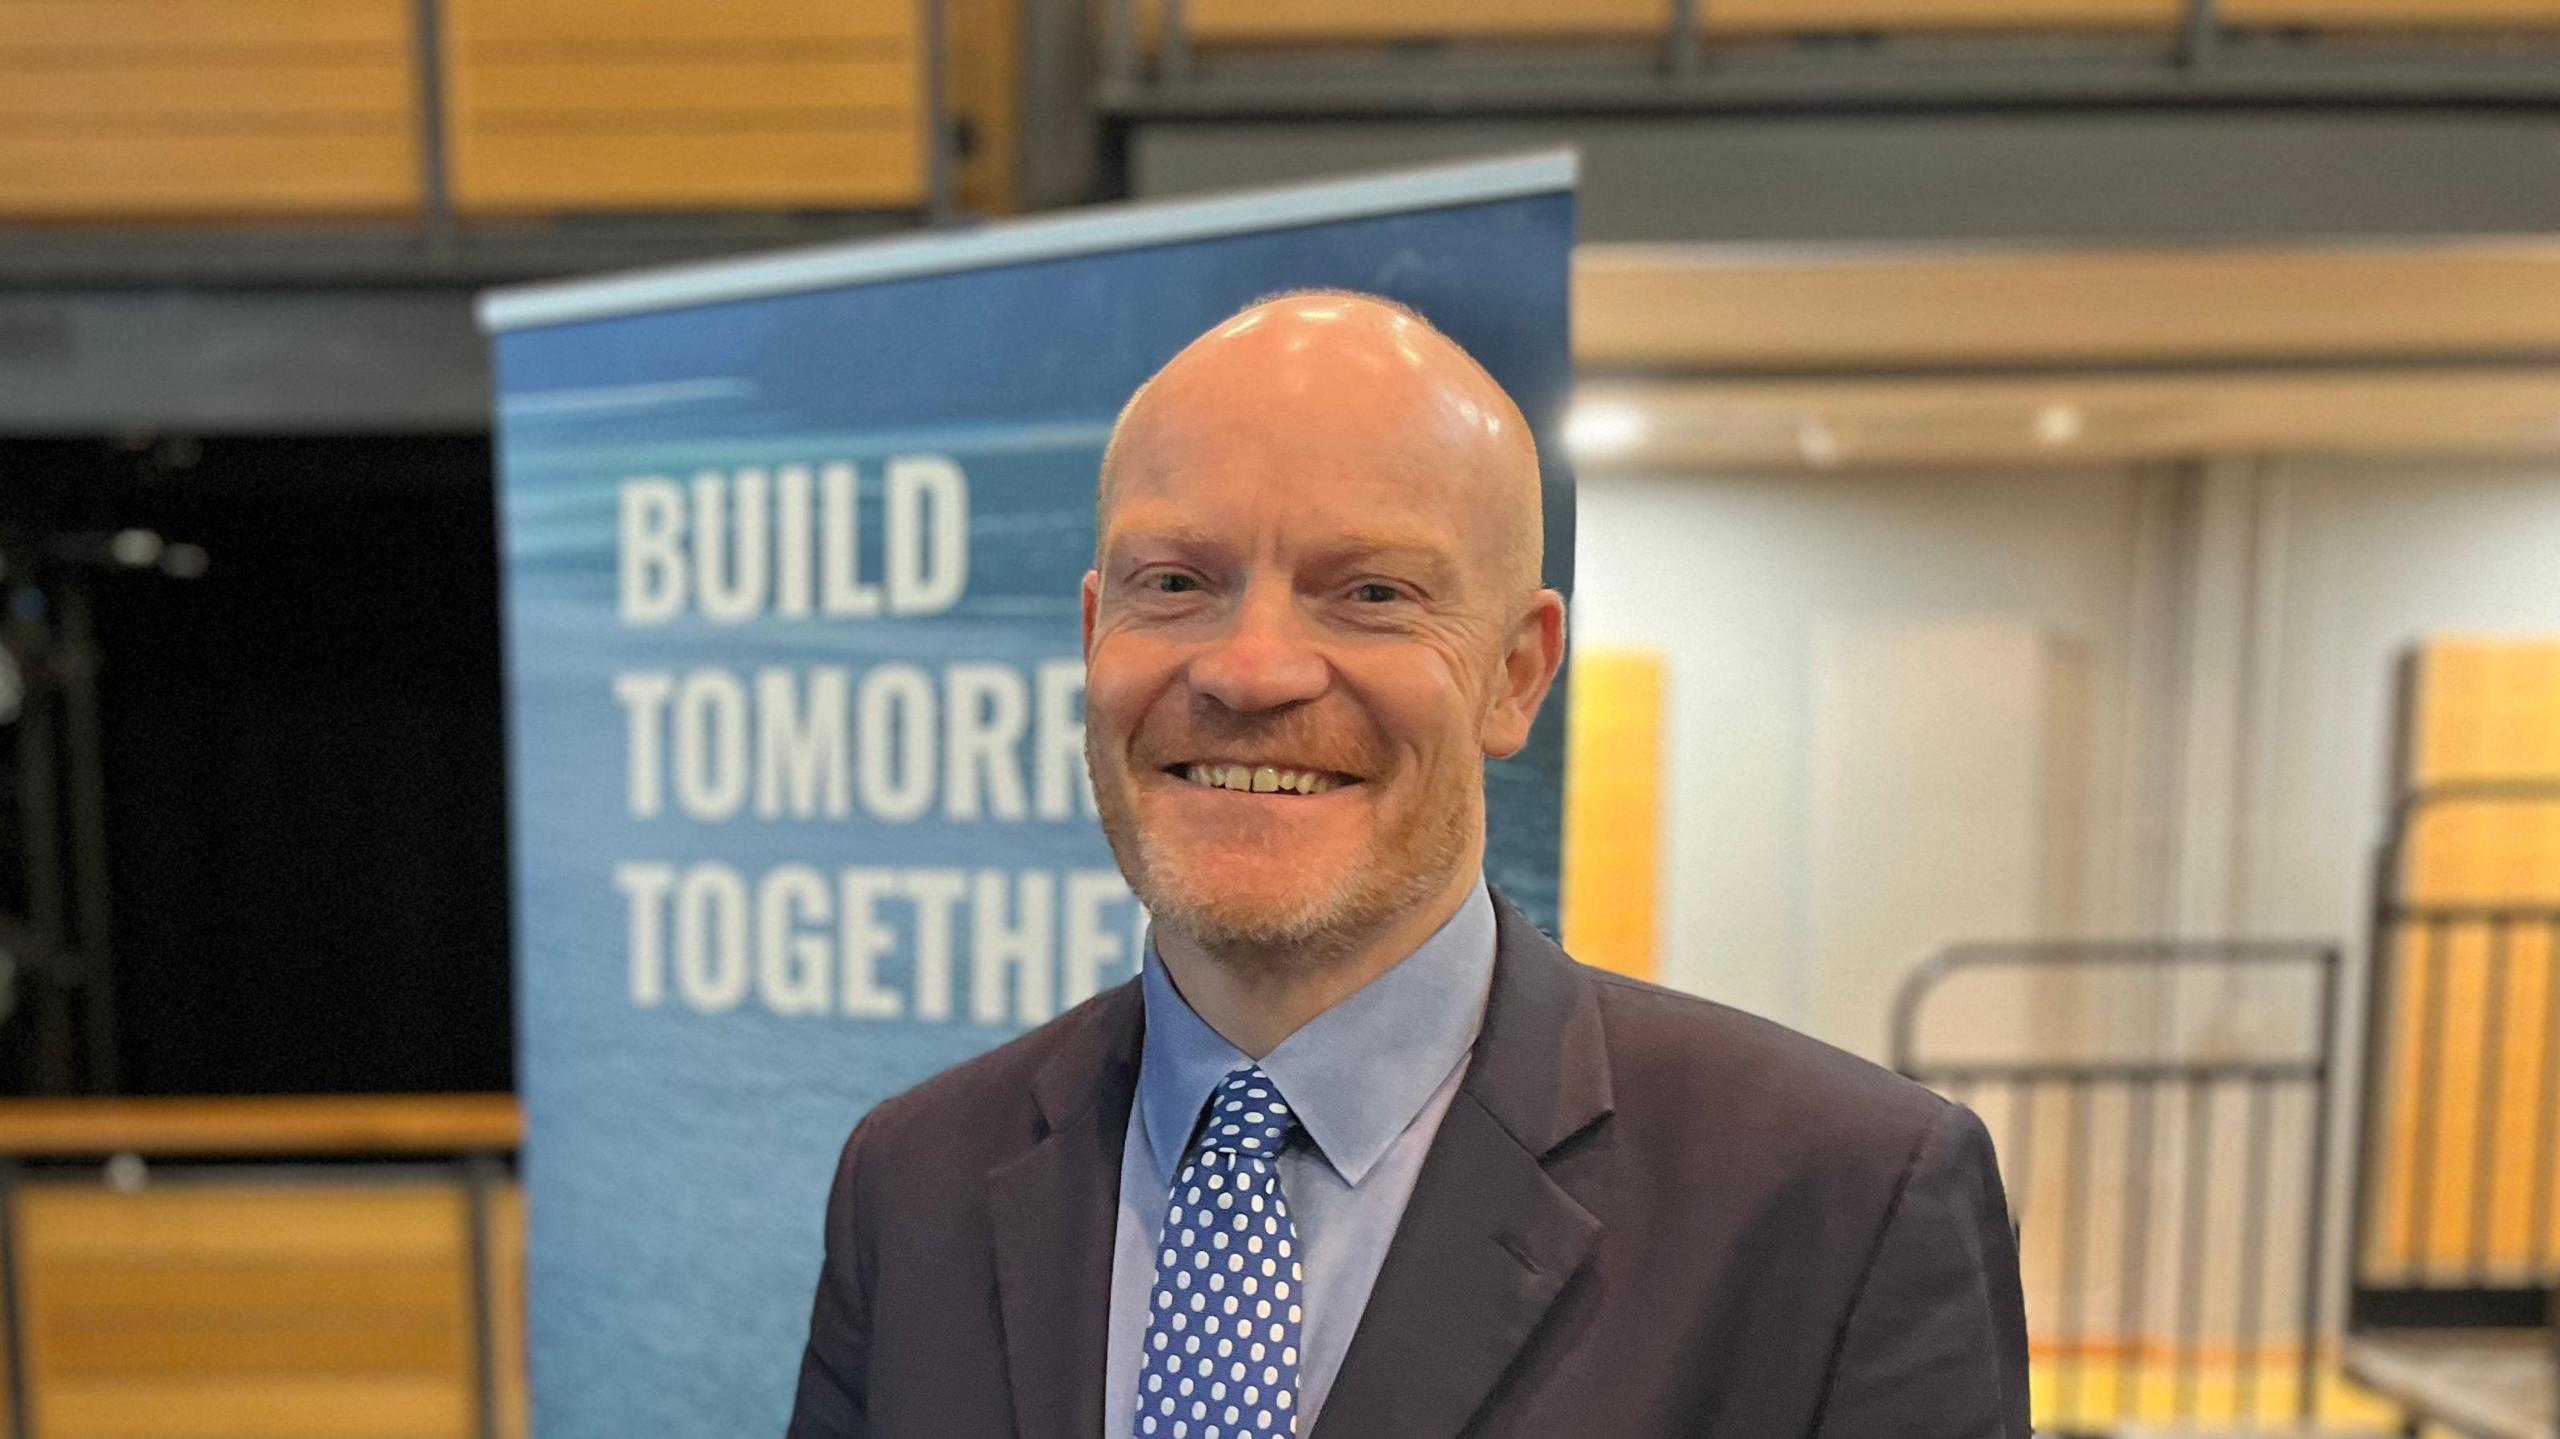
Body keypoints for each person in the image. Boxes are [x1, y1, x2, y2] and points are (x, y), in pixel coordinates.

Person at [788, 292, 2030, 1438]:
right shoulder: (914, 1180)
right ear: (1091, 631)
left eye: (1370, 592)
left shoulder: (1839, 1204)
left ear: (1516, 673)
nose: (1248, 668)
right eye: (1173, 582)